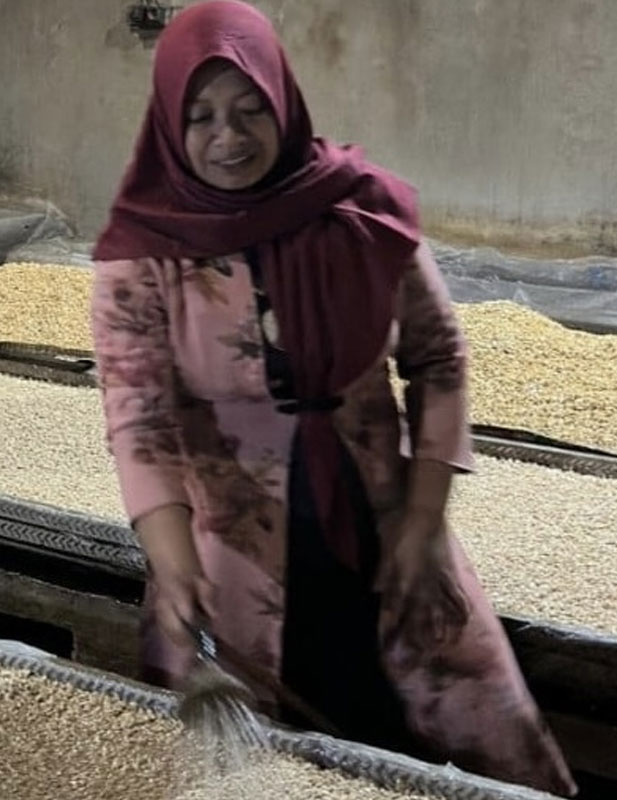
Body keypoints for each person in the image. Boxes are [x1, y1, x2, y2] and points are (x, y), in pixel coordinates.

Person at [89, 2, 577, 796]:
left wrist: (423, 523)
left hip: (383, 533)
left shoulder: (361, 212)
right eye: (202, 116)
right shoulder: (144, 254)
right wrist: (174, 570)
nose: (230, 136)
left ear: (284, 102)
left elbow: (438, 356)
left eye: (252, 110)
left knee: (449, 731)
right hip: (231, 557)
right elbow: (136, 416)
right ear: (168, 123)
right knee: (252, 768)